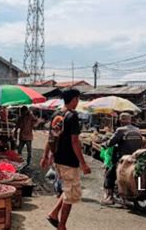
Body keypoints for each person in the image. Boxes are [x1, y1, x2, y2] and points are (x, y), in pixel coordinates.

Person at [40, 89, 91, 230]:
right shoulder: (72, 116)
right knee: (71, 195)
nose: (78, 102)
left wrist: (45, 156)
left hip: (58, 159)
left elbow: (51, 138)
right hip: (69, 160)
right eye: (77, 99)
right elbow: (75, 141)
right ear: (74, 99)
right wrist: (83, 163)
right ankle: (62, 225)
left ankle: (54, 214)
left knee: (68, 190)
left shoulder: (57, 115)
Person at [102, 112, 142, 205]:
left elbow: (111, 142)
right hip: (135, 158)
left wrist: (104, 144)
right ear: (130, 120)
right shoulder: (137, 130)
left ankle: (109, 197)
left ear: (121, 120)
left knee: (109, 175)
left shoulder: (121, 130)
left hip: (123, 159)